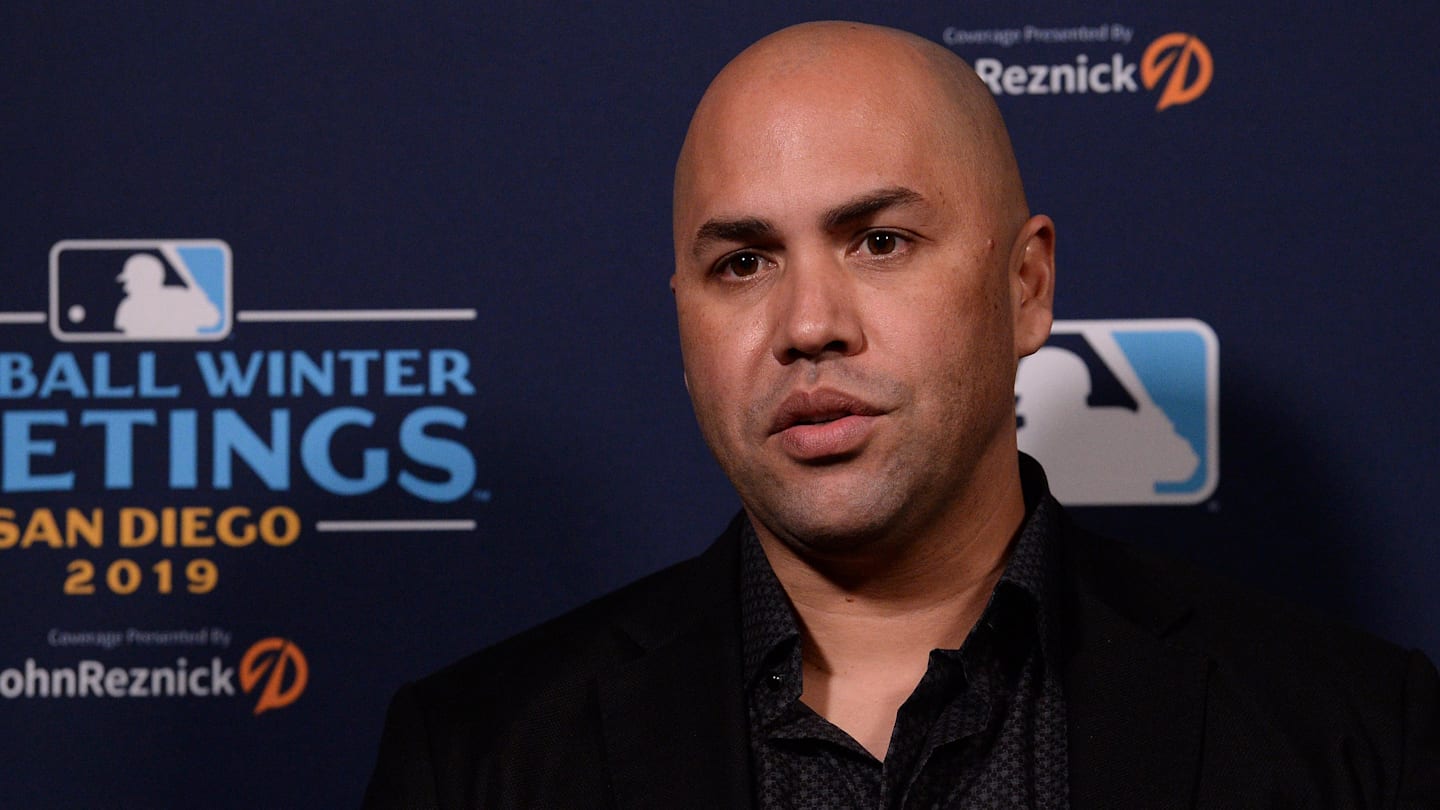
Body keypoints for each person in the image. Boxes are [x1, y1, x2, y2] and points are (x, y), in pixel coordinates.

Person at [364, 21, 1439, 808]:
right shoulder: (476, 761)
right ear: (683, 318)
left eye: (879, 242)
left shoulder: (1352, 735)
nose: (808, 325)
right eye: (743, 263)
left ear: (1026, 287)